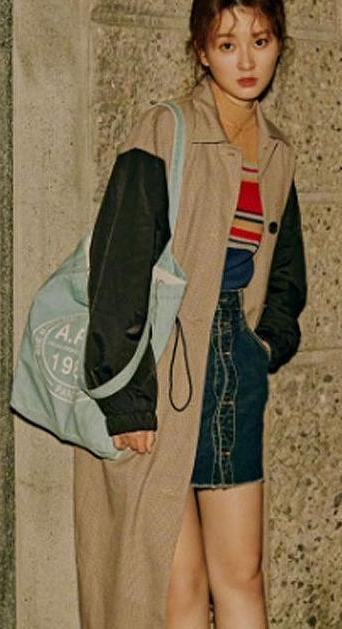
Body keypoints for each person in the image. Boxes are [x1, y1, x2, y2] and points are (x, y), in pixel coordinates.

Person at [75, 1, 307, 627]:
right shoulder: (165, 129)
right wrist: (126, 399)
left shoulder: (277, 150)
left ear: (279, 45)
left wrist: (266, 342)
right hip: (158, 367)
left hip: (233, 365)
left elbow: (287, 269)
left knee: (241, 575)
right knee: (177, 583)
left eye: (260, 41)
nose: (246, 59)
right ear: (202, 51)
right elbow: (118, 264)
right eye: (227, 44)